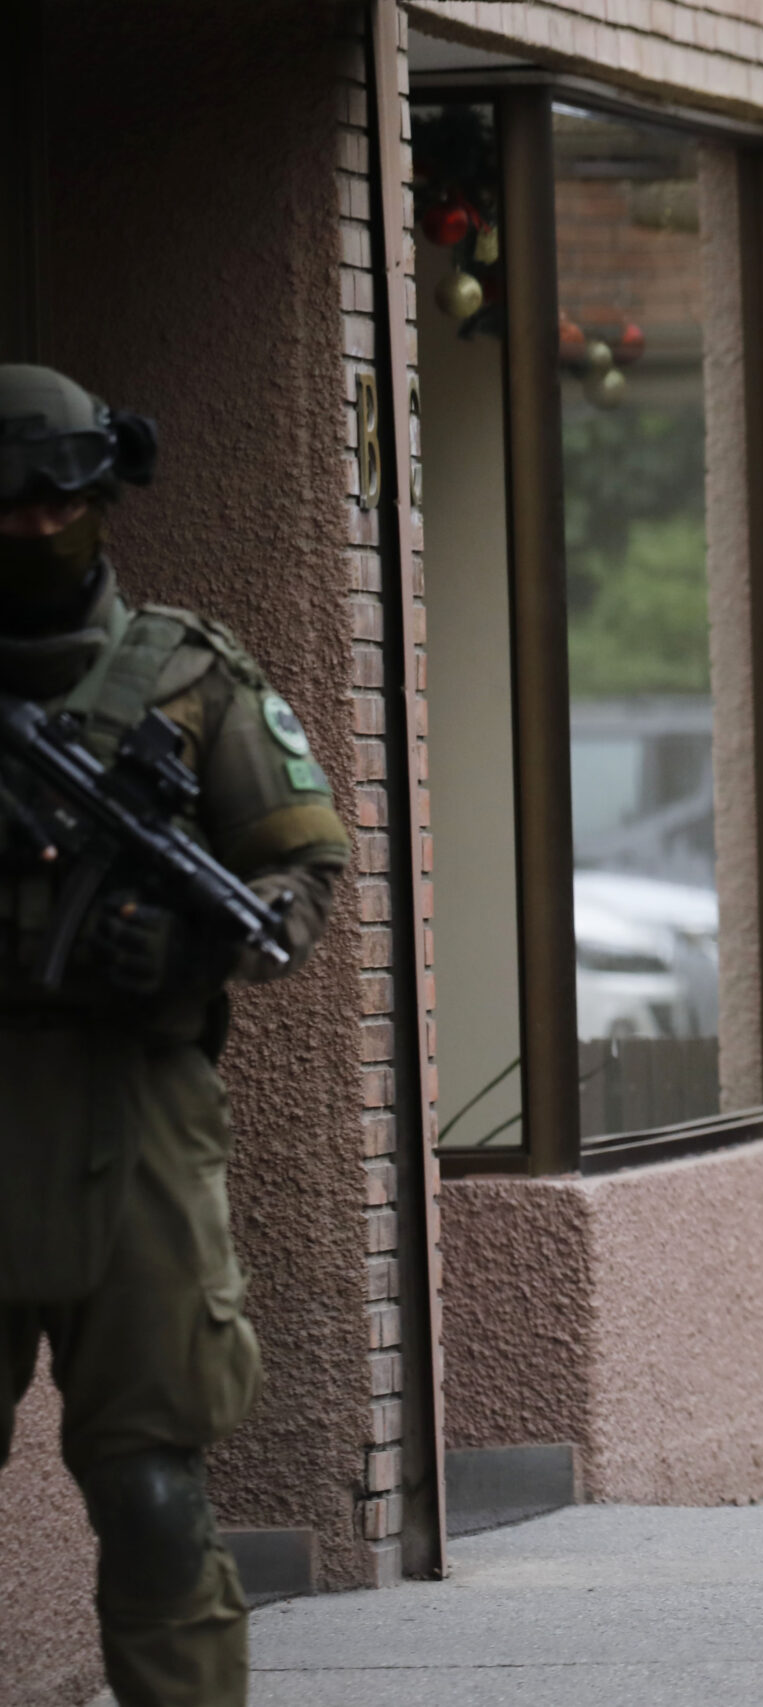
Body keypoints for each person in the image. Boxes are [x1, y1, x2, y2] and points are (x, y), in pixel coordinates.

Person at [0, 365, 349, 1706]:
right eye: (7, 505)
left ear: (105, 496)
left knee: (150, 1489)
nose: (35, 528)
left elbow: (300, 869)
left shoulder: (192, 674)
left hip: (131, 1113)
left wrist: (198, 937)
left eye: (60, 501)